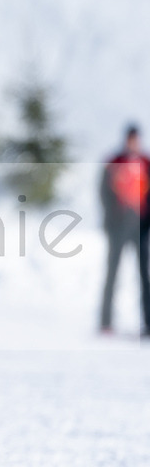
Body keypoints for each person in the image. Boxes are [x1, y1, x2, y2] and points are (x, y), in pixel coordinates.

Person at [99, 123, 150, 336]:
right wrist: (112, 219)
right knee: (112, 273)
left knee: (143, 274)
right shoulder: (114, 162)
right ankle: (106, 322)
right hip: (118, 226)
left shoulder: (146, 163)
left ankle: (147, 322)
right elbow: (104, 192)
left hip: (141, 225)